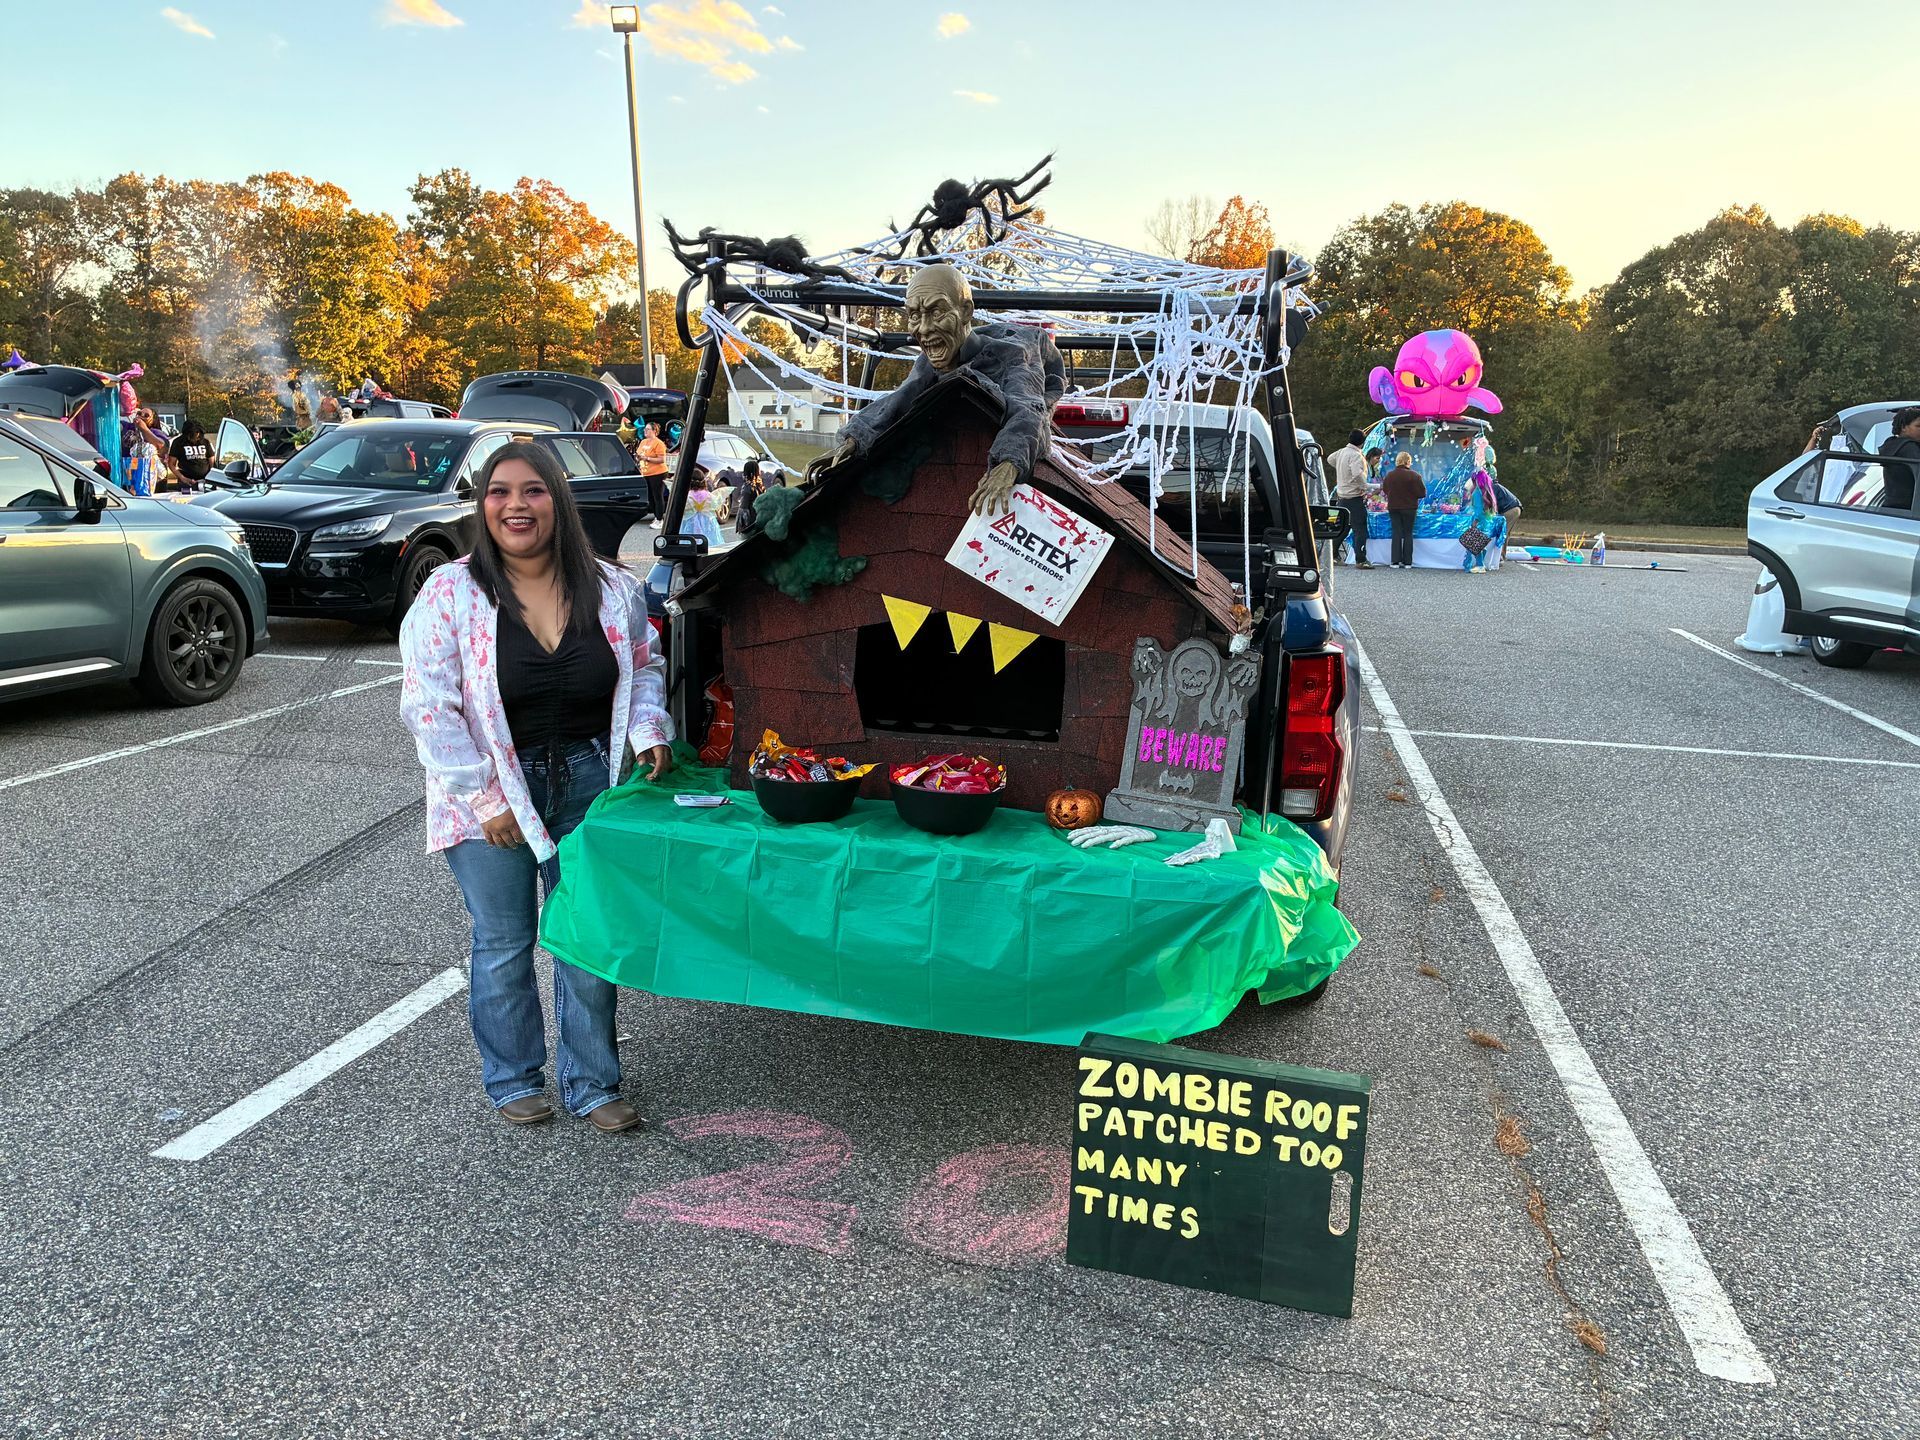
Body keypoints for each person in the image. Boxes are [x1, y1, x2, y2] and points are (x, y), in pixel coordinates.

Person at [398, 441, 673, 1132]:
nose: (515, 505)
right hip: (489, 787)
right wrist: (484, 799)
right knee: (504, 940)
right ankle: (513, 1077)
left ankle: (592, 1082)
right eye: (499, 491)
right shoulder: (452, 592)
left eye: (532, 491)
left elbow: (643, 665)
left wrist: (648, 729)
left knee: (584, 935)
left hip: (588, 778)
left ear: (559, 498)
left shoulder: (613, 588)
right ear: (482, 504)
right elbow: (429, 706)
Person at [1328, 428, 1373, 568]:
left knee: (1343, 528)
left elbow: (1330, 459)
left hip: (1341, 497)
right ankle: (1361, 560)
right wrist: (1365, 486)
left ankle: (1334, 556)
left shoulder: (1342, 452)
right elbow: (1357, 474)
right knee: (1360, 529)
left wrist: (1341, 471)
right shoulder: (1356, 455)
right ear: (1363, 442)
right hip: (1354, 497)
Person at [1381, 451, 1425, 569]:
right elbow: (1422, 493)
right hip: (1410, 507)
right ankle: (1407, 562)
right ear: (1408, 462)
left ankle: (1395, 561)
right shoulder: (1415, 476)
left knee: (1396, 532)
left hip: (1393, 507)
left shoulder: (1389, 475)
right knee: (1408, 533)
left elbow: (1385, 490)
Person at [1876, 406, 1920, 511]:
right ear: (1903, 427)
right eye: (1919, 426)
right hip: (1909, 512)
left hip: (1891, 510)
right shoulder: (1909, 448)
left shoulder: (1892, 446)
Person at [169, 418, 213, 492]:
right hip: (186, 481)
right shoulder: (178, 442)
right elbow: (171, 464)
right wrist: (182, 478)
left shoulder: (205, 442)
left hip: (205, 481)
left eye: (198, 435)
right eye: (193, 436)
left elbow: (212, 462)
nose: (196, 437)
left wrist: (210, 478)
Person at [637, 421, 670, 516]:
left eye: (648, 429)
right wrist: (638, 458)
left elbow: (661, 459)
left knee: (657, 496)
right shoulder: (643, 442)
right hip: (645, 472)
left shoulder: (659, 443)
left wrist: (647, 458)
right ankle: (655, 515)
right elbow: (640, 453)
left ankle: (659, 518)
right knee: (650, 496)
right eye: (645, 429)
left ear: (654, 431)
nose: (645, 431)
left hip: (658, 473)